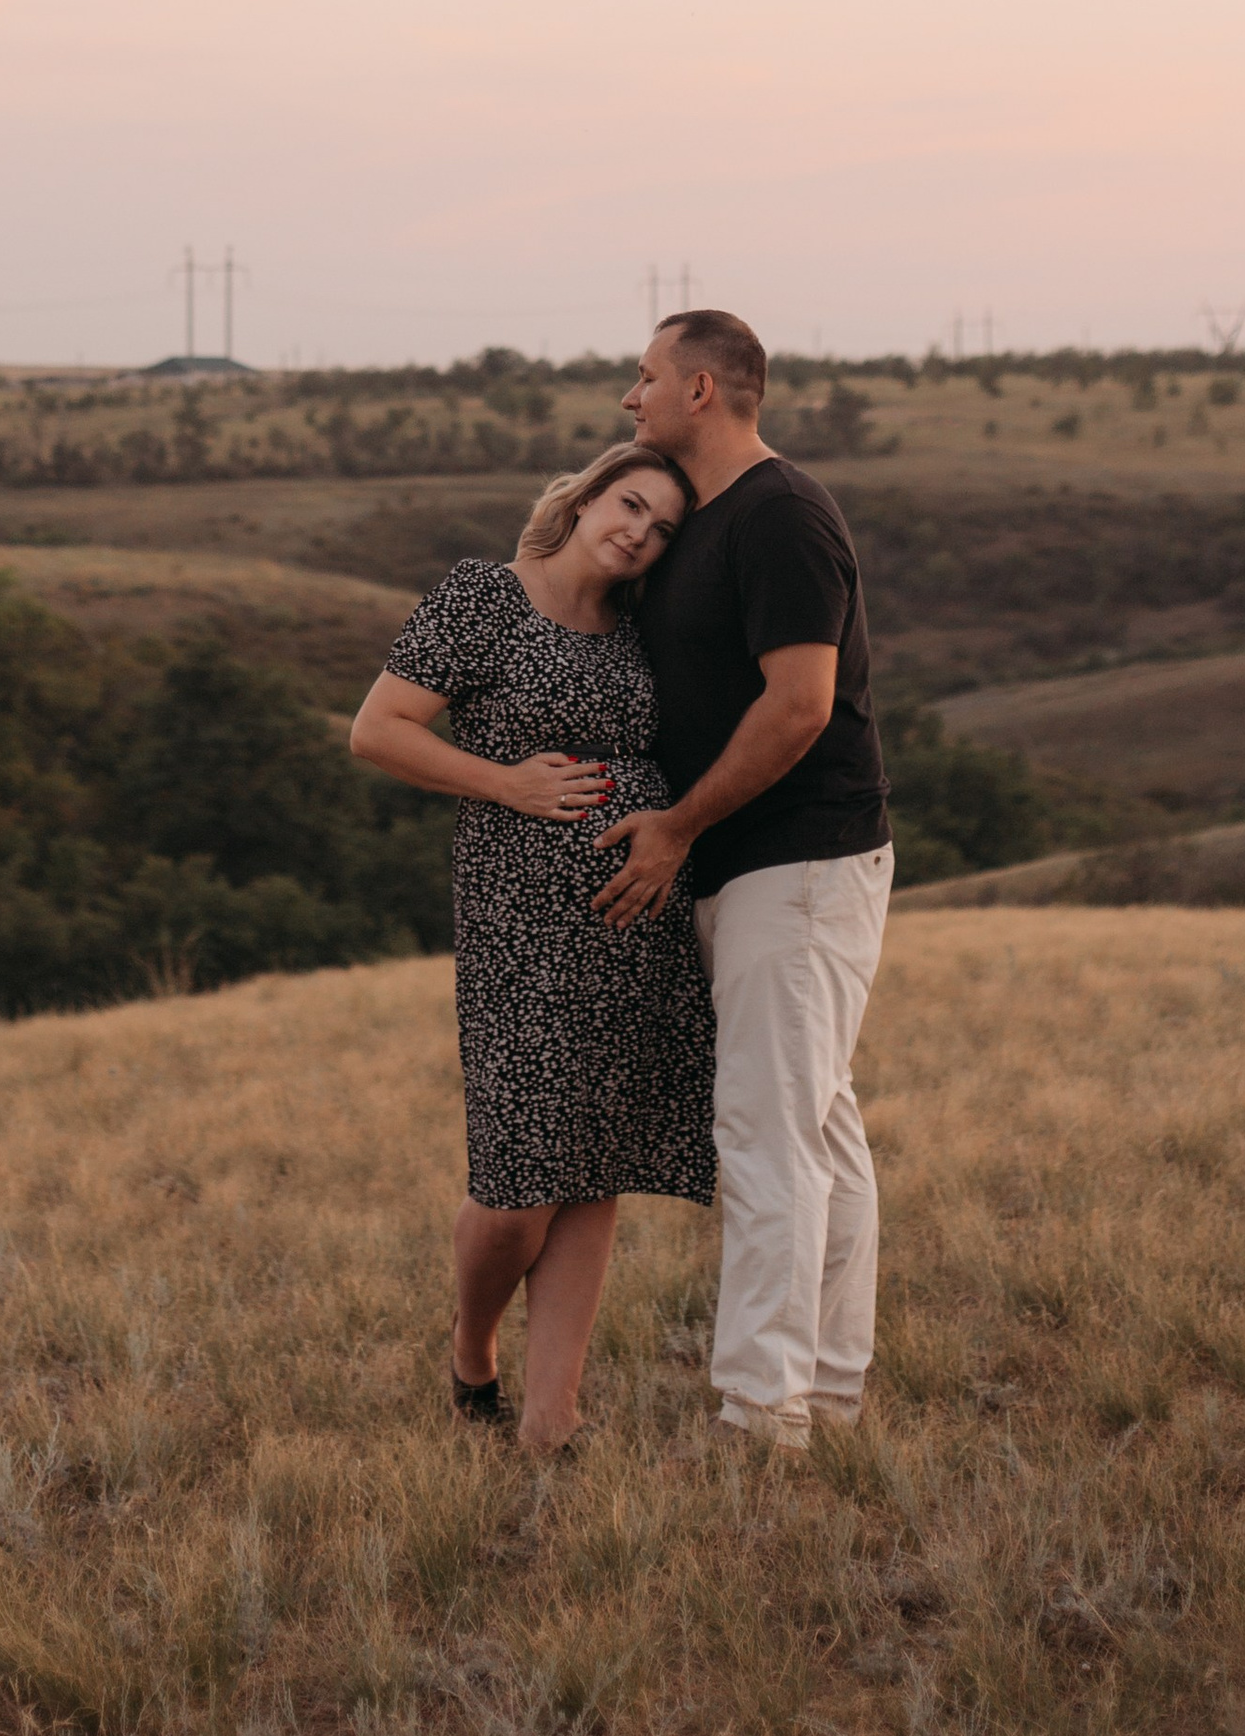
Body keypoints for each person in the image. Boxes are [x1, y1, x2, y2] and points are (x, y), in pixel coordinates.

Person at [348, 440, 718, 1453]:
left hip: (631, 927)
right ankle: (473, 1349)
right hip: (517, 925)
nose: (636, 532)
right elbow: (378, 730)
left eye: (659, 529)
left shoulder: (640, 625)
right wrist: (506, 782)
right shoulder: (483, 599)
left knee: (594, 1164)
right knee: (518, 1189)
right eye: (628, 504)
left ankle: (553, 1419)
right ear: (589, 492)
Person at [592, 309, 891, 1453]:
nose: (633, 397)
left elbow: (801, 704)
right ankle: (823, 1390)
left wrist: (674, 826)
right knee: (817, 1131)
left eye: (646, 376)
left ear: (703, 391)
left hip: (799, 860)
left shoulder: (780, 515)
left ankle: (759, 1415)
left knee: (768, 1134)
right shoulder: (708, 519)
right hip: (755, 863)